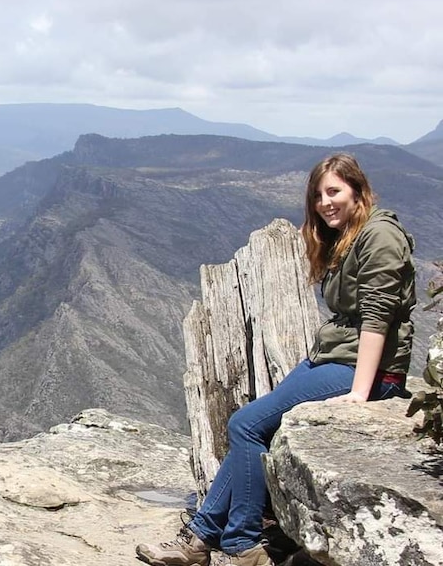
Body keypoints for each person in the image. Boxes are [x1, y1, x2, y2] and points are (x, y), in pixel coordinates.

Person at [135, 153, 416, 566]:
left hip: (363, 369)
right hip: (335, 357)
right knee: (254, 425)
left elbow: (378, 316)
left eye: (334, 191)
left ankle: (241, 543)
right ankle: (200, 539)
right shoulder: (351, 235)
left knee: (245, 423)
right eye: (319, 195)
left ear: (359, 190)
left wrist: (361, 393)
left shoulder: (380, 236)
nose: (325, 202)